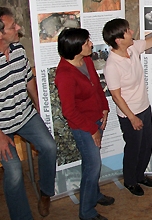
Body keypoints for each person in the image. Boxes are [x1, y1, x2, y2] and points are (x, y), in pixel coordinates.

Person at [0, 7, 57, 219]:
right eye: (13, 26)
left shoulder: (18, 50)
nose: (18, 27)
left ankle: (45, 192)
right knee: (14, 171)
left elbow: (29, 79)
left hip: (24, 116)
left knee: (49, 147)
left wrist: (38, 104)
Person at [103, 7, 152, 197]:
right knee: (133, 149)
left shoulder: (132, 48)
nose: (132, 32)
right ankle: (130, 181)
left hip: (145, 107)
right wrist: (132, 118)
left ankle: (140, 175)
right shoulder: (112, 65)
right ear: (118, 40)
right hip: (130, 114)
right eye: (127, 31)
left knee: (147, 145)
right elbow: (116, 97)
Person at [55, 28, 114, 220]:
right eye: (87, 41)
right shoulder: (64, 74)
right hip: (83, 127)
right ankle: (87, 212)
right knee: (93, 165)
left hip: (97, 119)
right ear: (75, 47)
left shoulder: (86, 60)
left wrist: (105, 108)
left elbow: (97, 87)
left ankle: (94, 194)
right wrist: (92, 130)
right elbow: (69, 111)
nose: (91, 44)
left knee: (90, 163)